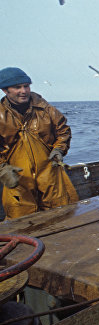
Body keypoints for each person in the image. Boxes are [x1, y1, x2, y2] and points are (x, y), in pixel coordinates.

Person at [0, 67, 78, 219]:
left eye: (26, 86)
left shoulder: (46, 109)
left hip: (50, 171)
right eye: (17, 87)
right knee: (20, 222)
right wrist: (2, 169)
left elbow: (63, 132)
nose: (23, 91)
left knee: (65, 215)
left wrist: (58, 150)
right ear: (5, 90)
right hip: (17, 177)